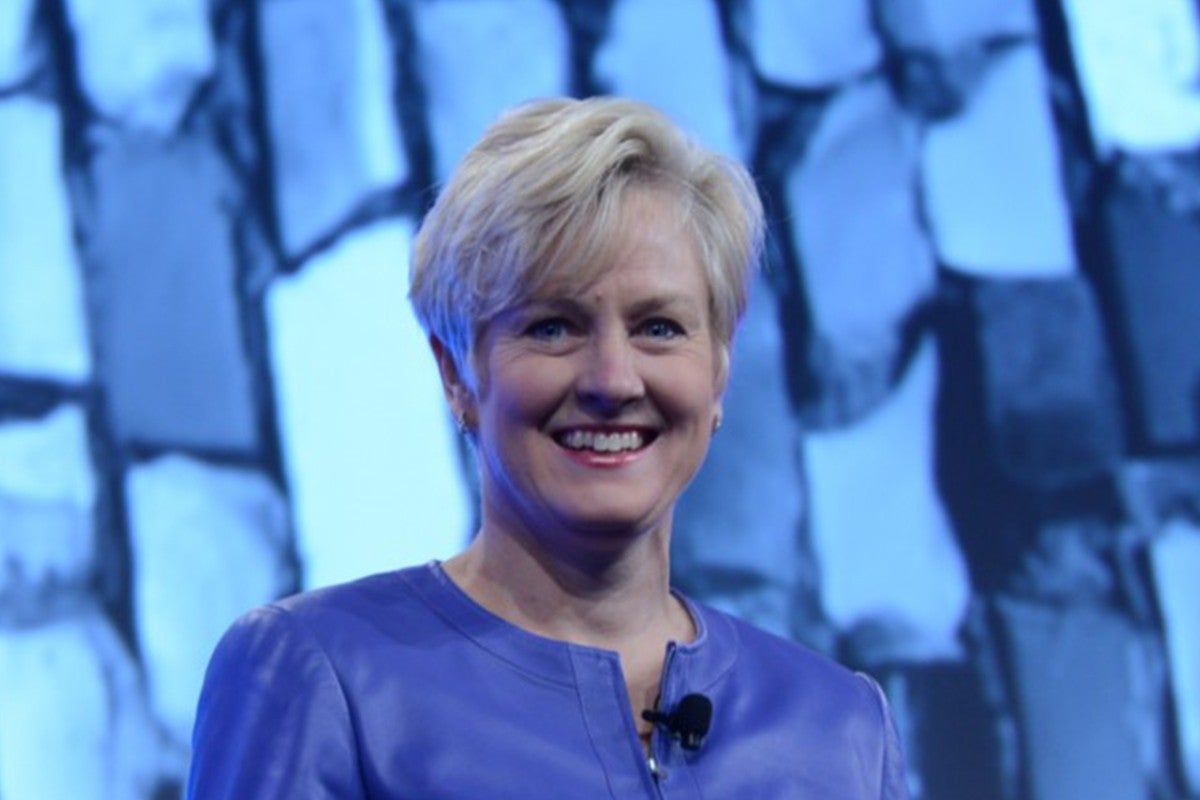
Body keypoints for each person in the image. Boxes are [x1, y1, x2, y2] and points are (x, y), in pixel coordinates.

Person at [186, 96, 909, 799]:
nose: (613, 380)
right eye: (552, 327)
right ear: (457, 372)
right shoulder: (324, 677)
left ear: (718, 371)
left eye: (658, 327)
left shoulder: (842, 729)